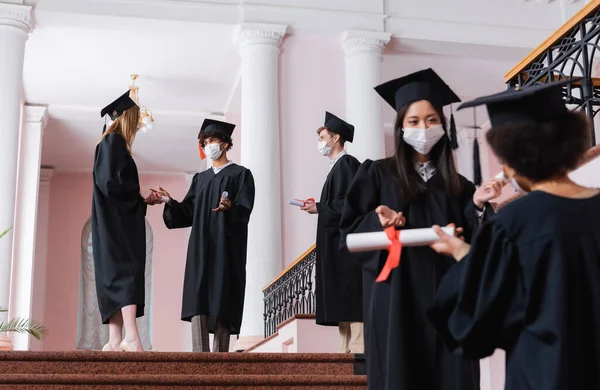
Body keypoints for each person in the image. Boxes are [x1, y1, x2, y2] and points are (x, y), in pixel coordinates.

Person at [427, 79, 600, 390]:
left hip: (546, 376)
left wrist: (463, 257)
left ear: (512, 161)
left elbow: (478, 326)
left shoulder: (514, 223)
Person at [339, 68, 503, 390]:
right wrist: (378, 223)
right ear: (400, 127)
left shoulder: (461, 187)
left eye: (431, 120)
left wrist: (480, 205)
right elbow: (348, 235)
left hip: (449, 298)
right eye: (413, 121)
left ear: (443, 125)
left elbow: (476, 246)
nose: (423, 128)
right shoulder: (376, 174)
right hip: (396, 297)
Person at [154, 119, 255, 353]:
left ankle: (220, 358)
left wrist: (231, 208)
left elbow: (245, 209)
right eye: (205, 142)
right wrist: (170, 201)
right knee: (198, 296)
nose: (209, 145)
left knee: (222, 296)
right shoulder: (201, 180)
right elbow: (188, 212)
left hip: (225, 246)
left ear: (226, 143)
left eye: (213, 141)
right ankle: (199, 358)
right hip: (200, 246)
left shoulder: (241, 175)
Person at [92, 90, 158, 352]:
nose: (139, 126)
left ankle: (114, 339)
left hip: (112, 223)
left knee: (113, 276)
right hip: (119, 226)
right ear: (126, 118)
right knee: (126, 274)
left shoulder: (110, 145)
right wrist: (139, 193)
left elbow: (113, 184)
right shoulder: (113, 143)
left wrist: (141, 198)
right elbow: (112, 183)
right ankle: (131, 334)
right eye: (137, 120)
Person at [301, 112, 363, 354]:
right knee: (340, 292)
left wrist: (321, 207)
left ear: (336, 138)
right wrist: (319, 206)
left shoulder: (347, 164)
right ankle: (345, 347)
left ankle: (357, 346)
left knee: (350, 290)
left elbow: (351, 203)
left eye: (323, 136)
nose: (320, 141)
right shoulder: (336, 168)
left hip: (345, 243)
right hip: (334, 242)